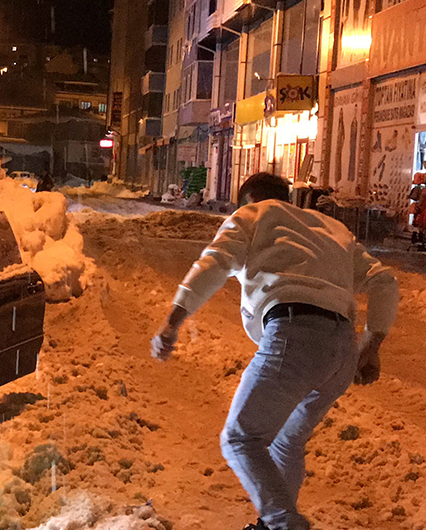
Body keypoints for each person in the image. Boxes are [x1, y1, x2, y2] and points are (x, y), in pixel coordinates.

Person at [150, 173, 399, 530]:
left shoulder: (253, 215)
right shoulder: (332, 229)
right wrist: (371, 345)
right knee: (287, 441)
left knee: (240, 438)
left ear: (249, 197)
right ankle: (274, 523)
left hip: (293, 334)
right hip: (341, 348)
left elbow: (215, 262)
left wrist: (172, 321)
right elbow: (385, 281)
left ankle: (284, 524)